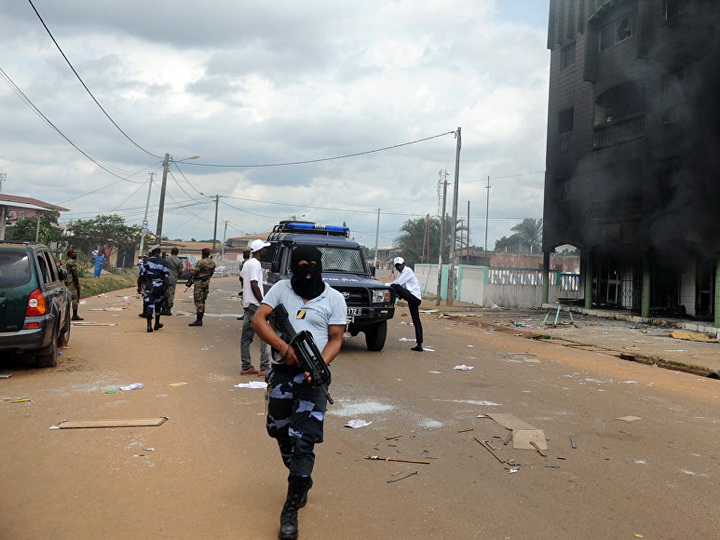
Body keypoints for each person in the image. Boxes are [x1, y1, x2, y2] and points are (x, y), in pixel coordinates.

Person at [252, 245, 347, 540]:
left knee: (304, 439)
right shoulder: (281, 289)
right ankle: (300, 475)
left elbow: (335, 338)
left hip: (313, 379)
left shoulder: (334, 298)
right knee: (278, 430)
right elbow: (259, 320)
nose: (308, 268)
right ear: (293, 265)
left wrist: (318, 365)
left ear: (321, 265)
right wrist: (284, 348)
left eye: (313, 264)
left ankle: (291, 507)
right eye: (302, 264)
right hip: (282, 373)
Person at [239, 240, 272, 376]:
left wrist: (245, 291)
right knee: (266, 336)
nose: (266, 250)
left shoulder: (247, 263)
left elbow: (241, 279)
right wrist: (263, 302)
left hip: (247, 303)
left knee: (246, 337)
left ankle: (246, 366)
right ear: (259, 250)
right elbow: (254, 284)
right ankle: (265, 367)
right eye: (264, 248)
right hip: (256, 305)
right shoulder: (256, 264)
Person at [387, 256, 424, 351]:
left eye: (400, 265)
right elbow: (396, 282)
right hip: (412, 299)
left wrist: (382, 285)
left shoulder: (408, 271)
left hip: (414, 298)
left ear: (404, 264)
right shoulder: (402, 273)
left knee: (395, 286)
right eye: (397, 266)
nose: (398, 267)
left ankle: (392, 302)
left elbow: (396, 283)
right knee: (416, 321)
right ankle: (419, 345)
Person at [137, 246, 169, 333]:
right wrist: (167, 290)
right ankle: (157, 324)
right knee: (158, 304)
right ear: (159, 252)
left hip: (149, 286)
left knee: (150, 305)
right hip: (160, 286)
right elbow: (166, 277)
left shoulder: (146, 261)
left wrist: (139, 286)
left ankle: (149, 326)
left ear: (152, 252)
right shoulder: (164, 262)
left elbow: (141, 275)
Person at [188, 247, 216, 327]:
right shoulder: (212, 262)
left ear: (203, 254)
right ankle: (200, 318)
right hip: (206, 282)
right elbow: (211, 273)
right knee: (203, 300)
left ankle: (198, 320)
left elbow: (195, 272)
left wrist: (190, 270)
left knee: (198, 300)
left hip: (199, 283)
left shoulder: (201, 262)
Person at [162, 248, 184, 316]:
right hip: (173, 278)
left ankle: (163, 309)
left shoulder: (166, 258)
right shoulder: (179, 261)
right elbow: (180, 271)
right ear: (177, 253)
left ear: (171, 252)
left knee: (163, 291)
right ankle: (168, 309)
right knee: (171, 292)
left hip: (164, 277)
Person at [64, 249, 84, 321]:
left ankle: (66, 315)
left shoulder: (65, 262)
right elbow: (74, 274)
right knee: (74, 298)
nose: (75, 254)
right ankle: (74, 315)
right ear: (69, 254)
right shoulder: (72, 263)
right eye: (73, 253)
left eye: (75, 253)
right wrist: (77, 283)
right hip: (71, 282)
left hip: (65, 282)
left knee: (66, 298)